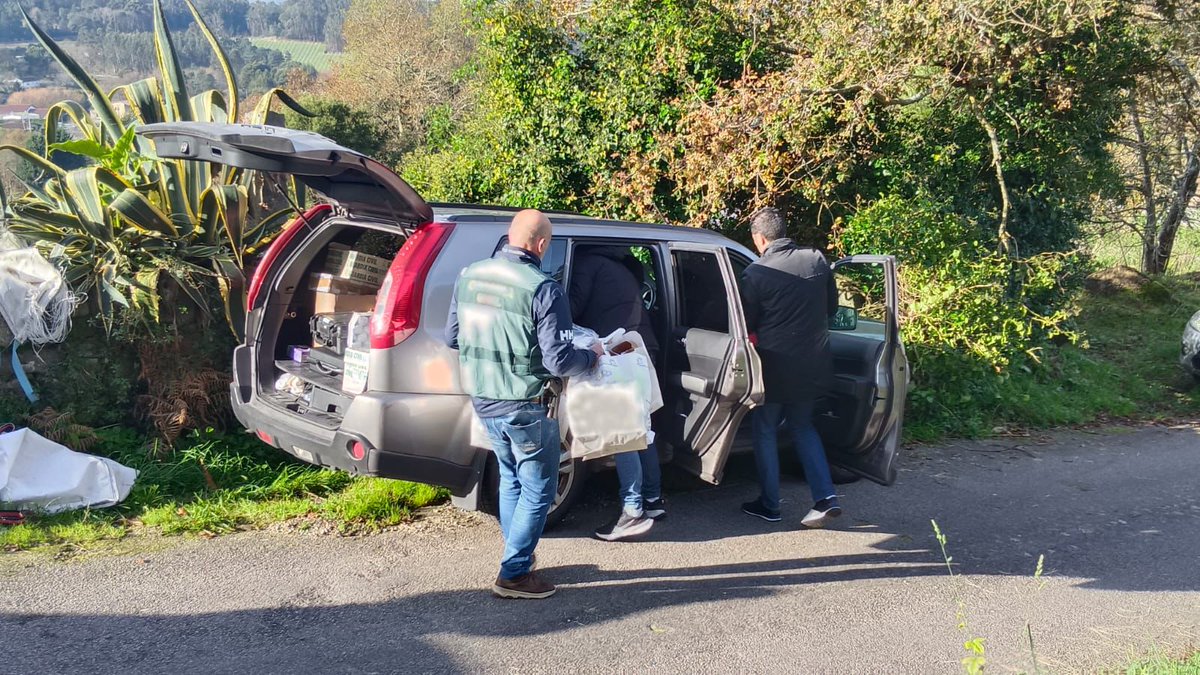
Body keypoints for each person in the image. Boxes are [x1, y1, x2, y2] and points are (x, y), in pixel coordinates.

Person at [445, 209, 603, 599]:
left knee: (511, 476)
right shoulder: (543, 289)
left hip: (483, 398)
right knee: (539, 487)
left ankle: (518, 554)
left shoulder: (470, 276)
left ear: (510, 236)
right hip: (524, 404)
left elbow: (453, 337)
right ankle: (514, 573)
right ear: (542, 244)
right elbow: (558, 361)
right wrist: (594, 356)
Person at [738, 207, 842, 528]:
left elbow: (746, 323)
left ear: (760, 238)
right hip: (813, 365)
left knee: (765, 429)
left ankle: (770, 505)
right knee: (803, 426)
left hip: (775, 368)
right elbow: (832, 308)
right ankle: (825, 499)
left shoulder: (755, 274)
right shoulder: (816, 259)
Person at [569, 246, 664, 542]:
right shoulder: (620, 266)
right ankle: (652, 500)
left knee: (624, 432)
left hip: (618, 355)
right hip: (640, 348)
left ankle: (632, 511)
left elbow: (573, 306)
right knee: (641, 428)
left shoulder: (587, 262)